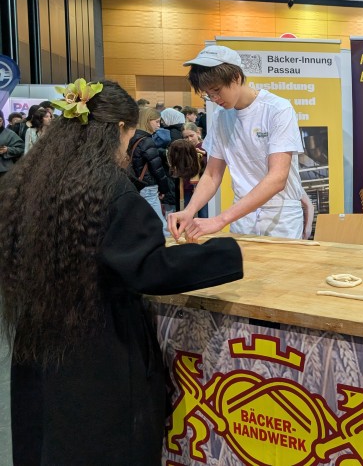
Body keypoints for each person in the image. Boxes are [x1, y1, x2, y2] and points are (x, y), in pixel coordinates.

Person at [0, 79, 243, 464]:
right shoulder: (110, 190)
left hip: (41, 348)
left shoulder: (30, 181)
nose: (129, 147)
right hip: (97, 357)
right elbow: (145, 268)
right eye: (130, 136)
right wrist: (228, 252)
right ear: (117, 129)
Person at [169, 45, 306, 241]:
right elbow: (212, 173)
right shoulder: (220, 116)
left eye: (217, 90)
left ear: (237, 78)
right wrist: (190, 210)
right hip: (242, 216)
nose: (215, 99)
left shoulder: (278, 109)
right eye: (209, 94)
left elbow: (277, 178)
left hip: (280, 215)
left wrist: (221, 219)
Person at [129, 107, 176, 233]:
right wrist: (164, 189)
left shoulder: (132, 138)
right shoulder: (147, 141)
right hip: (149, 186)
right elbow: (157, 169)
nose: (159, 125)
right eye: (156, 121)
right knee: (161, 226)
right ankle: (168, 249)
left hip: (136, 184)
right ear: (147, 121)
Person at [0, 112, 24, 179]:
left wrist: (7, 149)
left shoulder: (10, 134)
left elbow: (21, 148)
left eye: (0, 120)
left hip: (4, 171)